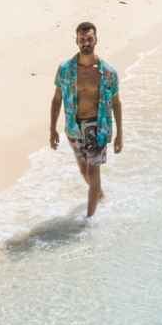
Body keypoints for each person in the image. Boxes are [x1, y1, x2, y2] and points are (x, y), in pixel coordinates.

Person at [49, 21, 121, 217]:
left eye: (89, 39)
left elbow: (116, 103)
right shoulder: (65, 69)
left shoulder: (108, 73)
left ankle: (89, 222)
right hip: (74, 126)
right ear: (77, 41)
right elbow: (57, 99)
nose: (86, 43)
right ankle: (99, 195)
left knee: (93, 172)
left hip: (97, 127)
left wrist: (119, 135)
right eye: (82, 39)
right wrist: (52, 129)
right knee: (84, 171)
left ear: (96, 39)